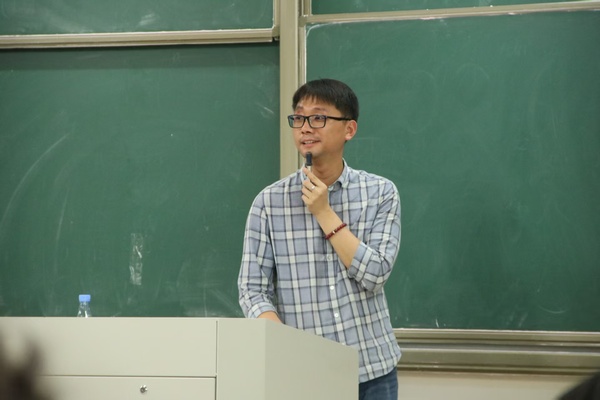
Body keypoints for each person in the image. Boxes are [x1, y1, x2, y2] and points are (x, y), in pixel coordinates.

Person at [238, 78, 401, 399]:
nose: (305, 128)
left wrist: (324, 212)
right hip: (303, 374)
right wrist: (286, 346)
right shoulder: (269, 203)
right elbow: (252, 290)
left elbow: (376, 274)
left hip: (372, 371)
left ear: (349, 129)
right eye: (299, 118)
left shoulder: (380, 193)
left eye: (318, 118)